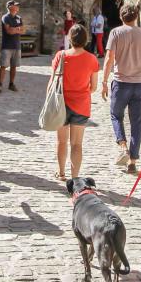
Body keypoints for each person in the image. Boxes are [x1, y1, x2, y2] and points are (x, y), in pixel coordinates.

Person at [101, 4, 141, 174]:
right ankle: (132, 161)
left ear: (121, 16)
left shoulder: (116, 33)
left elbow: (109, 58)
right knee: (137, 122)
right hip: (140, 83)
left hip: (121, 82)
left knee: (116, 115)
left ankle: (123, 146)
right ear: (136, 16)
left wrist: (103, 81)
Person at [48, 23, 99, 182]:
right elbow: (94, 87)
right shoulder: (92, 59)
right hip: (81, 105)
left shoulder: (61, 56)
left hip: (61, 104)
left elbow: (52, 81)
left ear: (69, 38)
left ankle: (61, 172)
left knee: (61, 141)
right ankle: (75, 179)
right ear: (86, 39)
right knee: (77, 144)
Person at [0, 0, 24, 93]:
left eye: (18, 5)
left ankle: (11, 84)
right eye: (15, 5)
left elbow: (23, 30)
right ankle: (0, 84)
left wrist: (14, 29)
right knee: (3, 66)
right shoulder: (5, 17)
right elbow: (8, 31)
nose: (17, 7)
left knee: (14, 66)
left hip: (17, 46)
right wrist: (17, 29)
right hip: (7, 46)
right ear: (9, 7)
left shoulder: (19, 18)